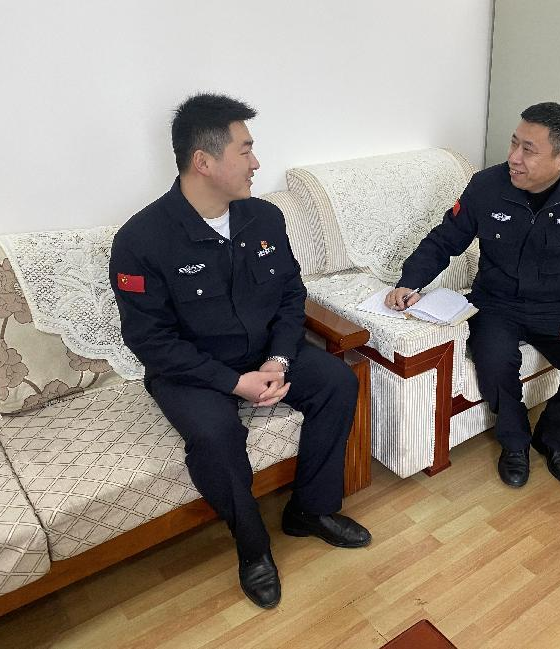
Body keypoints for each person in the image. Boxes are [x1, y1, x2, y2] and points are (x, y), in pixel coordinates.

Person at [110, 93, 370, 609]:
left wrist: (279, 360)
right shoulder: (141, 240)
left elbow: (291, 295)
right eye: (245, 150)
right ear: (203, 162)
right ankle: (253, 549)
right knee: (216, 434)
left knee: (338, 382)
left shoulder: (263, 218)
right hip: (192, 371)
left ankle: (310, 511)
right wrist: (233, 383)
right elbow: (150, 341)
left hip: (266, 354)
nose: (256, 163)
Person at [386, 102, 560, 489]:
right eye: (514, 143)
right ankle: (514, 444)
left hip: (558, 308)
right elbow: (445, 239)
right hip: (496, 305)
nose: (514, 157)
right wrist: (410, 281)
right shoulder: (487, 186)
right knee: (494, 363)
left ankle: (551, 437)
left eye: (528, 150)